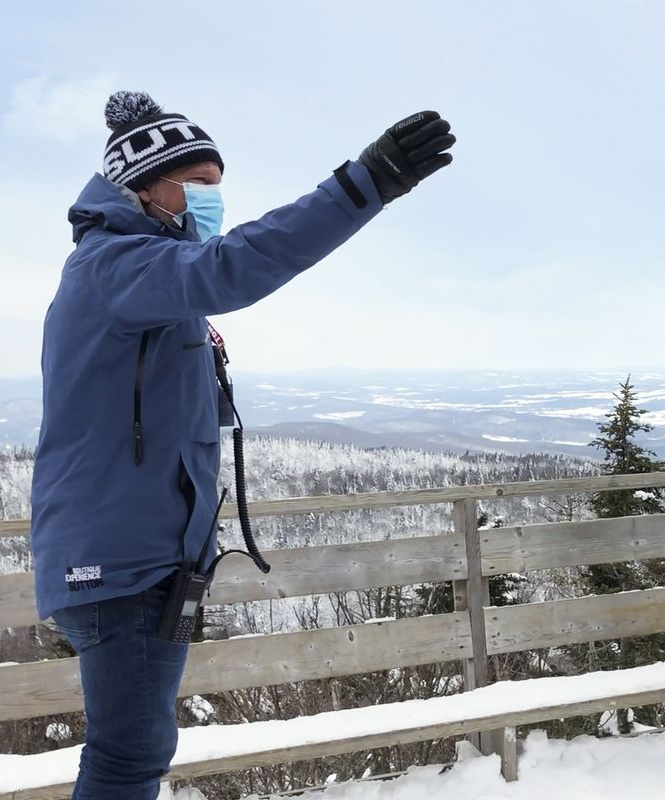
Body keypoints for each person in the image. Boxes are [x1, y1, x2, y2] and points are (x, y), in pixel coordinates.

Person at [30, 90, 455, 799]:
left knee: (133, 753)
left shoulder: (141, 276)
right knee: (127, 759)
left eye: (217, 187)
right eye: (197, 184)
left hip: (142, 560)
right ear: (141, 186)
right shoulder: (115, 266)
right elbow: (233, 267)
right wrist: (365, 184)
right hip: (118, 565)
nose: (210, 200)